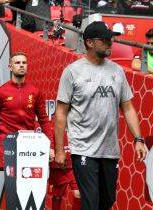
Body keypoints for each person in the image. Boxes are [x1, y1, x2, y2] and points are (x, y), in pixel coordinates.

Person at [54, 21, 148, 210]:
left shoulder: (117, 71)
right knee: (91, 202)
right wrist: (59, 150)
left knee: (107, 201)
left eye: (110, 38)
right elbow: (61, 113)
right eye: (105, 40)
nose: (110, 43)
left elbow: (128, 108)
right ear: (89, 42)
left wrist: (138, 139)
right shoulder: (72, 72)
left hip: (109, 150)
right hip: (83, 148)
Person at [0, 51, 54, 169]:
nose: (21, 65)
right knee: (10, 183)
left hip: (28, 143)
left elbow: (44, 120)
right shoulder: (0, 92)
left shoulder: (35, 91)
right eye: (17, 63)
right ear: (10, 67)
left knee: (26, 181)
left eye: (24, 62)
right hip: (7, 143)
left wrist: (51, 147)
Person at [49, 135, 81, 210]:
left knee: (78, 194)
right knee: (57, 196)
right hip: (57, 168)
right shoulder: (51, 127)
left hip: (72, 167)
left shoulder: (74, 128)